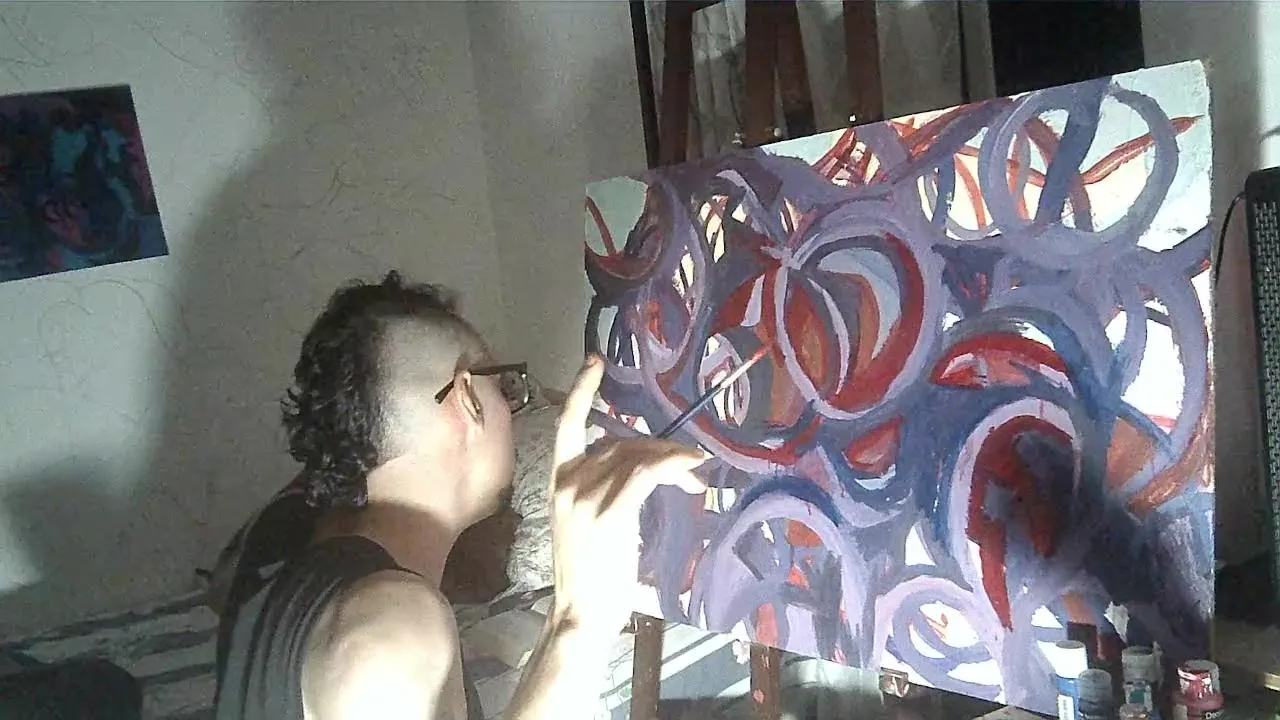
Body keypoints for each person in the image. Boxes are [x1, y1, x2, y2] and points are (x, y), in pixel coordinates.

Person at [213, 271, 705, 720]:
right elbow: (374, 656)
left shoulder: (280, 535)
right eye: (507, 387)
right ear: (467, 400)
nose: (513, 409)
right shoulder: (394, 632)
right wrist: (579, 622)